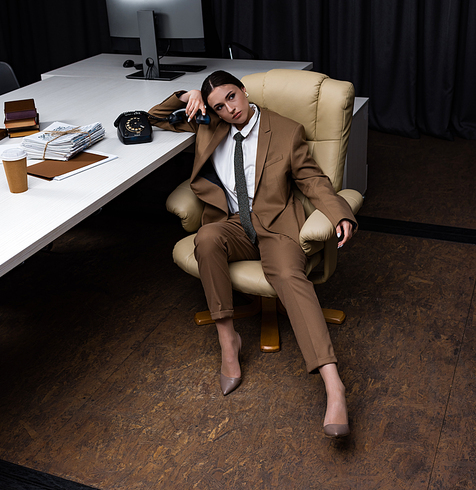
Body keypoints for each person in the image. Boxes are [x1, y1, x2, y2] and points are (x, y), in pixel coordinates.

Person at [149, 71, 357, 438]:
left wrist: (339, 212)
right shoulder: (208, 124)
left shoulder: (287, 130)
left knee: (290, 279)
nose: (229, 109)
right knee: (206, 239)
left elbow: (313, 180)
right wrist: (188, 95)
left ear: (244, 91)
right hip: (232, 224)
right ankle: (228, 341)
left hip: (277, 225)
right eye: (219, 106)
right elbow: (153, 118)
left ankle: (332, 384)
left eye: (232, 97)